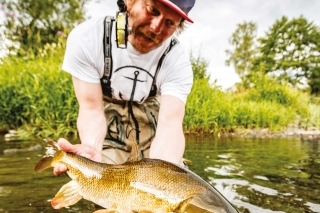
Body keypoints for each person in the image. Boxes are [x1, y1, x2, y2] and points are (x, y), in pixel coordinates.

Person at [54, 0, 196, 175]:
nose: (155, 28)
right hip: (108, 133)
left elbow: (169, 127)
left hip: (153, 134)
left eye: (169, 23)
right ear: (129, 2)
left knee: (174, 186)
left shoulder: (177, 61)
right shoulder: (88, 38)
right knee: (103, 189)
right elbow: (91, 109)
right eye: (153, 10)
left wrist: (162, 176)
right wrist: (90, 146)